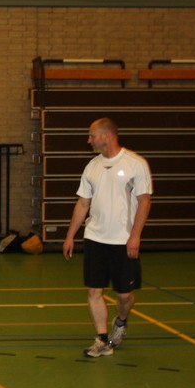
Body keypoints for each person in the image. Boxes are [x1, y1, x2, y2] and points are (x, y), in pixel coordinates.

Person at [62, 118, 153, 358]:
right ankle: (102, 339)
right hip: (94, 238)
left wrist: (135, 236)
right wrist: (70, 235)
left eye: (92, 135)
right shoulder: (91, 167)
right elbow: (83, 203)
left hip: (123, 241)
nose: (88, 140)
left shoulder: (135, 164)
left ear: (107, 135)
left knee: (124, 296)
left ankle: (120, 321)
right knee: (94, 291)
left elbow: (144, 201)